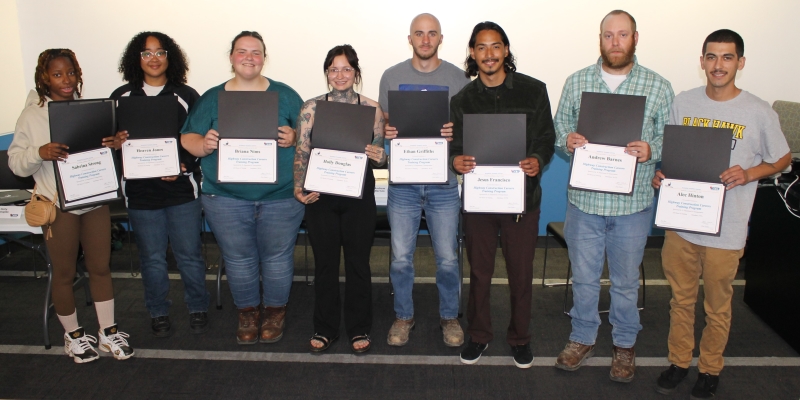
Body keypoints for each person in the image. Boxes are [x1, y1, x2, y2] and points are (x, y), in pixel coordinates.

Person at [651, 30, 790, 399]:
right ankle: (679, 362)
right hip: (682, 223)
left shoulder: (759, 111)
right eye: (711, 57)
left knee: (717, 305)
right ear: (702, 62)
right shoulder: (684, 102)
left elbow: (782, 158)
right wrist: (661, 174)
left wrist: (748, 173)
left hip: (726, 229)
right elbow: (673, 154)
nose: (718, 65)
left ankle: (710, 368)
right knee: (680, 300)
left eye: (727, 58)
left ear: (740, 63)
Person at [552, 10, 673, 383]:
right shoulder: (578, 82)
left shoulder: (658, 86)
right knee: (585, 279)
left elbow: (669, 136)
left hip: (632, 205)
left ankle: (624, 345)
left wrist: (651, 149)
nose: (615, 42)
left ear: (635, 38)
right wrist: (567, 140)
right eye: (608, 35)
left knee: (624, 281)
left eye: (622, 35)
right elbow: (560, 131)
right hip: (585, 203)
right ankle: (582, 337)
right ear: (600, 38)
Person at [8, 49, 134, 363]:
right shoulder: (32, 115)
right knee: (64, 274)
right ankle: (74, 336)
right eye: (57, 74)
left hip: (93, 201)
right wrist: (40, 152)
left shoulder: (91, 109)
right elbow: (16, 164)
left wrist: (114, 145)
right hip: (58, 205)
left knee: (100, 268)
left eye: (70, 73)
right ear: (43, 78)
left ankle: (108, 333)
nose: (66, 80)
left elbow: (100, 154)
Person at [180, 31, 304, 345]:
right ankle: (247, 313)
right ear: (231, 56)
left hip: (280, 198)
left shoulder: (285, 95)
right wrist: (204, 144)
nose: (249, 57)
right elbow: (187, 138)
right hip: (225, 199)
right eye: (242, 51)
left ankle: (275, 312)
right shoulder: (212, 98)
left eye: (256, 52)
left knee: (277, 258)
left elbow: (311, 136)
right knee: (238, 260)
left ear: (264, 57)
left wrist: (295, 137)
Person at [450, 21, 555, 368]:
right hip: (479, 202)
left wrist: (537, 160)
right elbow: (457, 147)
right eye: (481, 47)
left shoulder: (533, 91)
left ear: (506, 50)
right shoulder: (462, 100)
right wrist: (457, 161)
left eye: (496, 46)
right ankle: (479, 335)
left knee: (520, 273)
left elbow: (545, 137)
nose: (489, 54)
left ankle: (520, 338)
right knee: (479, 272)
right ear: (472, 53)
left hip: (522, 200)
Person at [106, 31, 208, 338]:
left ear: (170, 57)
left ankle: (198, 307)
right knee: (151, 258)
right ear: (136, 59)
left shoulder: (187, 96)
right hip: (140, 193)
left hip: (181, 192)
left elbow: (202, 141)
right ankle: (158, 311)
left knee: (189, 254)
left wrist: (184, 166)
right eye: (146, 53)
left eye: (160, 52)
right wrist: (115, 143)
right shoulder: (120, 97)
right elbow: (110, 144)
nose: (154, 59)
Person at [379, 13, 471, 348]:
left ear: (440, 38)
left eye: (432, 34)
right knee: (400, 257)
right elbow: (387, 124)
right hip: (403, 184)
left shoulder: (459, 78)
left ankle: (450, 317)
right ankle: (403, 316)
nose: (426, 40)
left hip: (443, 183)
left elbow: (467, 129)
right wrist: (386, 130)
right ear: (410, 38)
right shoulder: (391, 76)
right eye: (419, 33)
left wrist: (455, 131)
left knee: (447, 257)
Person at [294, 45, 386, 353]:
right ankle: (325, 328)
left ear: (356, 73)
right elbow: (303, 150)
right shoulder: (311, 107)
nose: (340, 75)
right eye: (333, 69)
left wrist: (380, 155)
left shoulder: (373, 109)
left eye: (346, 69)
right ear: (326, 73)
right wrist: (298, 186)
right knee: (325, 264)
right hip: (321, 194)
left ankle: (359, 328)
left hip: (359, 194)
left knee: (358, 263)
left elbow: (378, 155)